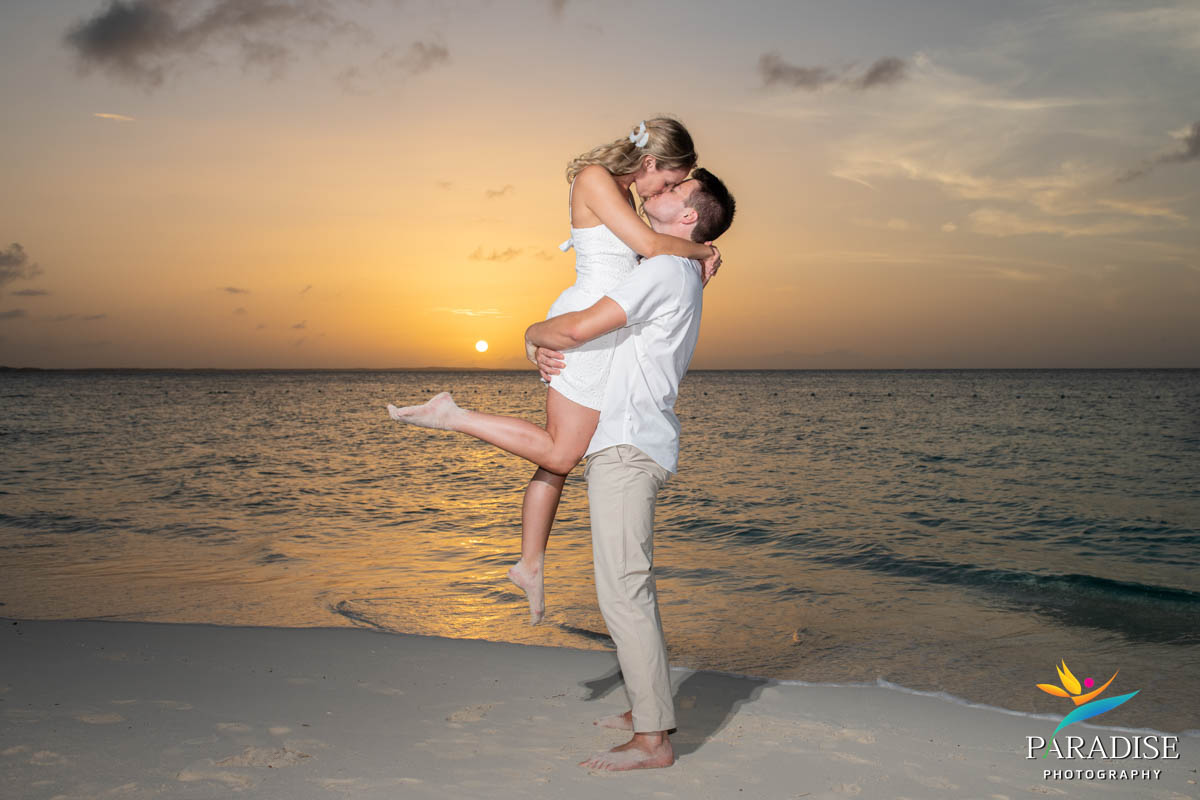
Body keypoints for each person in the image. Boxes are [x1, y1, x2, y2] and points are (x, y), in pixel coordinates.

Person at [388, 119, 719, 624]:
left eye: (676, 188)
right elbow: (653, 251)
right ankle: (451, 415)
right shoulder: (594, 179)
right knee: (562, 451)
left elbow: (651, 272)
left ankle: (531, 562)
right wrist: (704, 250)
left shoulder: (626, 197)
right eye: (672, 180)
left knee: (561, 454)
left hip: (605, 331)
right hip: (586, 326)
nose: (668, 190)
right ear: (650, 163)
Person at [526, 168, 736, 770]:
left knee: (623, 590)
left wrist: (533, 334)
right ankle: (649, 708)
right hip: (631, 440)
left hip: (626, 445)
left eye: (672, 189)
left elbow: (577, 329)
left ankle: (653, 741)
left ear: (689, 216)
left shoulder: (667, 269)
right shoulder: (676, 268)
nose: (659, 193)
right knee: (629, 587)